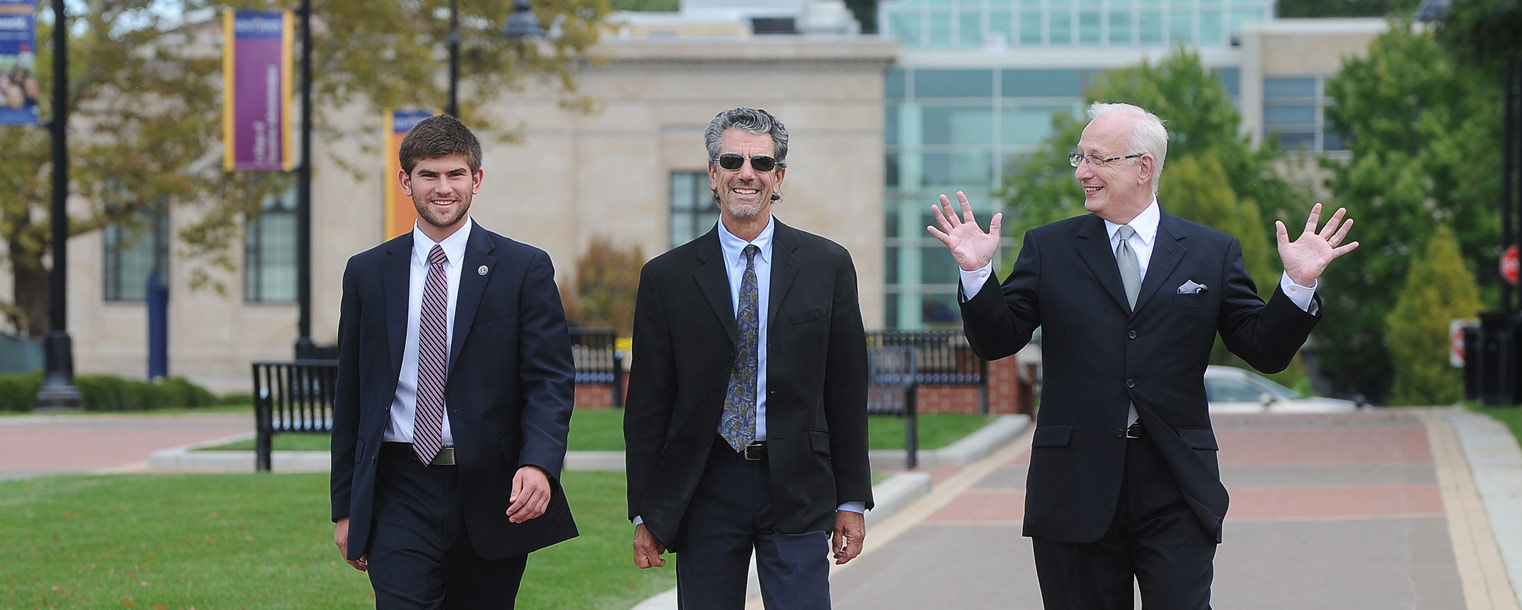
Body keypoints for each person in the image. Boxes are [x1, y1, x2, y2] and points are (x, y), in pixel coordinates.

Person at [929, 102, 1357, 609]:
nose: (1082, 172)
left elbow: (1263, 349)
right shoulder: (1050, 248)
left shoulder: (1210, 252)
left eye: (1096, 159)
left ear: (1143, 168)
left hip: (1176, 485)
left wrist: (1296, 286)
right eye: (1079, 158)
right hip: (1076, 486)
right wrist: (978, 276)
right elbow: (997, 341)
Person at [624, 107, 874, 609]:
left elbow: (846, 390)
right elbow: (649, 404)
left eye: (761, 163)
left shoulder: (827, 266)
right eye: (732, 160)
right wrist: (645, 512)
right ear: (713, 174)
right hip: (706, 486)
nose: (747, 173)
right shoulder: (665, 278)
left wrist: (851, 500)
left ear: (778, 177)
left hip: (799, 482)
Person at [330, 114, 578, 608]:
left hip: (491, 489)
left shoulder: (523, 268)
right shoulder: (367, 272)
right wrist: (345, 506)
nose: (443, 188)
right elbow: (352, 395)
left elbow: (550, 380)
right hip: (398, 485)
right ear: (406, 181)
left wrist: (539, 464)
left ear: (476, 180)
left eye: (455, 174)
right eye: (429, 175)